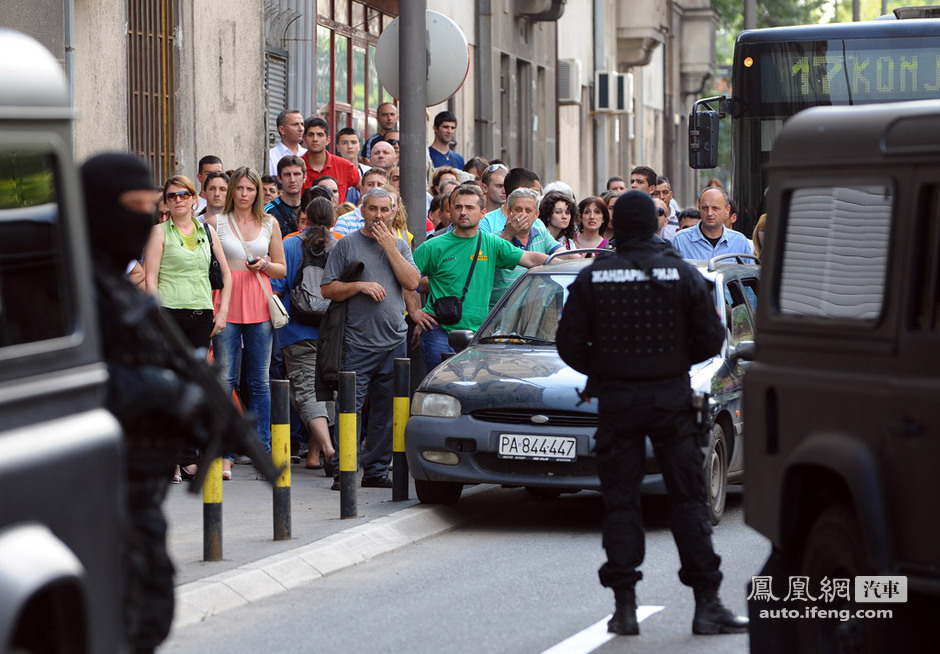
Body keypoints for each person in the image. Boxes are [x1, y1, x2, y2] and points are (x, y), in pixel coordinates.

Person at [556, 190, 749, 638]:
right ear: (655, 223)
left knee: (621, 503)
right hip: (672, 400)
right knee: (689, 502)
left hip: (618, 401)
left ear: (615, 226)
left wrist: (606, 366)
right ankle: (707, 606)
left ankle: (624, 609)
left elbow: (568, 343)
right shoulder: (682, 273)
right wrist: (671, 361)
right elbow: (711, 338)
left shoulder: (593, 276)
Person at [80, 153, 203, 653]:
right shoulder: (69, 284)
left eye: (146, 208)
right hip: (89, 485)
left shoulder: (122, 289)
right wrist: (158, 391)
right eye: (130, 208)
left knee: (149, 613)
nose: (140, 220)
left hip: (138, 486)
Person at [321, 187, 420, 489]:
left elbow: (413, 282)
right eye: (373, 209)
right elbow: (327, 288)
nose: (378, 215)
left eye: (384, 210)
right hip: (356, 342)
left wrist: (389, 246)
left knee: (386, 411)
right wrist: (359, 287)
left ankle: (376, 470)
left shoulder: (400, 246)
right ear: (362, 211)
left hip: (394, 341)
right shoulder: (346, 245)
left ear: (393, 212)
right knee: (349, 408)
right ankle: (345, 469)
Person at [143, 174, 233, 483]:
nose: (179, 199)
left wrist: (222, 312)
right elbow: (150, 279)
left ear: (195, 198)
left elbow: (226, 274)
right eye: (172, 196)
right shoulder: (158, 233)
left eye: (184, 194)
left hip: (201, 315)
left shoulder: (208, 230)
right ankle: (173, 459)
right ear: (165, 203)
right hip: (170, 315)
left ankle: (188, 456)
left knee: (195, 387)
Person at [412, 185, 549, 372]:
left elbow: (530, 258)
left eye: (470, 208)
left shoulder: (491, 242)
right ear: (450, 211)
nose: (463, 212)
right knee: (440, 390)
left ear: (483, 213)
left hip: (478, 335)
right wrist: (414, 312)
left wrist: (561, 261)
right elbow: (406, 277)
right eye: (458, 207)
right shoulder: (433, 246)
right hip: (439, 332)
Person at [212, 167, 287, 476]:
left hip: (259, 301)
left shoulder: (270, 222)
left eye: (250, 189)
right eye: (239, 188)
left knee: (260, 381)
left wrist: (266, 264)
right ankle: (224, 452)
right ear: (233, 191)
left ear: (258, 192)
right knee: (225, 380)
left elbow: (282, 269)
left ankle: (261, 449)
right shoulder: (215, 222)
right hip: (226, 304)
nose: (244, 194)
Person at [270, 196, 337, 471]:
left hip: (295, 332)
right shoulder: (341, 245)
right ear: (333, 220)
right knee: (328, 391)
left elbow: (276, 287)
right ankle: (315, 454)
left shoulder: (290, 244)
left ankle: (329, 450)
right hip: (331, 332)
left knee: (306, 392)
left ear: (305, 217)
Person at [490, 187, 561, 308]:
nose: (523, 215)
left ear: (536, 215)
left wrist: (580, 259)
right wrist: (509, 233)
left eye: (528, 211)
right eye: (518, 210)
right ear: (509, 212)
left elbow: (561, 253)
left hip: (533, 313)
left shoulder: (542, 234)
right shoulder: (493, 238)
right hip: (500, 313)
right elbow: (494, 253)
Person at [673, 187, 753, 260]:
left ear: (727, 210)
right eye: (705, 208)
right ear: (699, 208)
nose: (709, 213)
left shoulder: (739, 242)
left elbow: (749, 273)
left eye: (715, 208)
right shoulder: (680, 240)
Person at [301, 116, 360, 201]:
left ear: (328, 140)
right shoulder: (296, 167)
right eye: (311, 135)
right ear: (304, 139)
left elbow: (365, 190)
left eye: (320, 135)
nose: (315, 139)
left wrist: (355, 212)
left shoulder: (344, 165)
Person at [264, 155, 306, 236]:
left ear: (304, 177)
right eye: (287, 174)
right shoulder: (268, 211)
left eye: (296, 174)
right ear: (279, 178)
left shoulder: (310, 208)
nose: (292, 180)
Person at [268, 109, 307, 177]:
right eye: (295, 124)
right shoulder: (271, 157)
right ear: (282, 129)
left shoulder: (307, 154)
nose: (301, 129)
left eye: (302, 124)